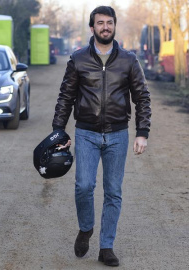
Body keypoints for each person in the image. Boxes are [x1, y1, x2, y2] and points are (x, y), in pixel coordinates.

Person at [52, 6, 151, 267]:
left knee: (113, 192)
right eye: (100, 23)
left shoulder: (129, 60)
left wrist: (142, 132)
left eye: (109, 22)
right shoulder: (78, 58)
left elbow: (142, 97)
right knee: (84, 186)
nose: (105, 27)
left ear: (114, 25)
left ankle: (106, 247)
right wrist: (59, 130)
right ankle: (86, 229)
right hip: (86, 132)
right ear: (92, 27)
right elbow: (66, 96)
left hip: (118, 134)